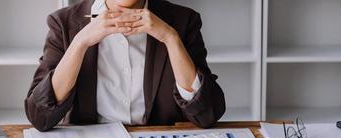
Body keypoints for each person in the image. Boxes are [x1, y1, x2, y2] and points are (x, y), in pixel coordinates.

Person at [25, 0, 226, 131]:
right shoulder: (63, 23)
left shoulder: (184, 21)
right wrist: (80, 42)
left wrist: (170, 37)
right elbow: (40, 116)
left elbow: (207, 114)